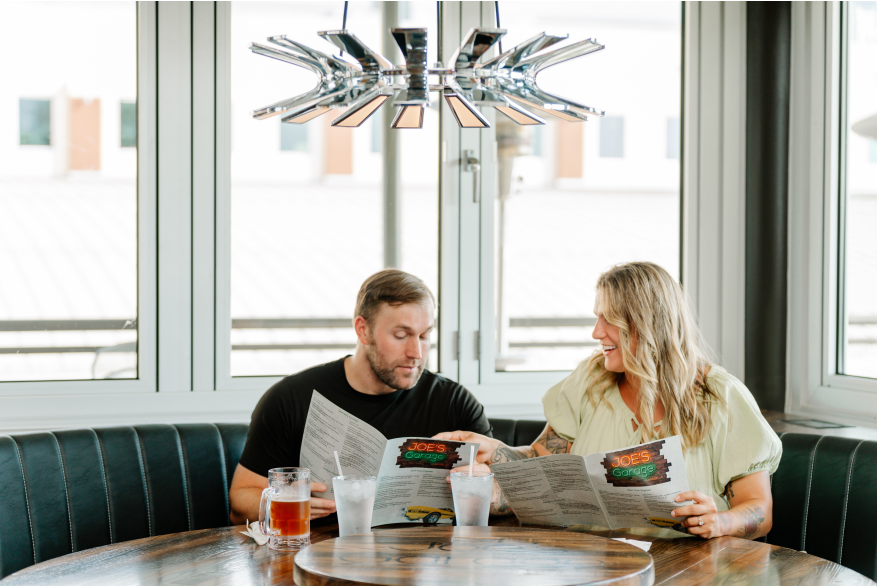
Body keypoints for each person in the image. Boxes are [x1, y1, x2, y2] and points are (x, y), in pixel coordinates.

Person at [437, 261, 782, 540]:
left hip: (689, 567)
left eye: (609, 319)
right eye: (596, 317)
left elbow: (759, 510)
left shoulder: (719, 395)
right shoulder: (590, 379)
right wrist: (495, 451)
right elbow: (543, 462)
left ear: (647, 323)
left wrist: (719, 522)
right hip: (593, 562)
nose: (596, 332)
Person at [230, 269, 491, 524]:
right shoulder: (291, 399)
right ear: (362, 329)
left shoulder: (455, 402)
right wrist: (286, 504)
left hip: (430, 551)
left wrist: (485, 487)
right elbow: (240, 504)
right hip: (323, 549)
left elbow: (501, 494)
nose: (417, 353)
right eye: (401, 335)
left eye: (425, 336)